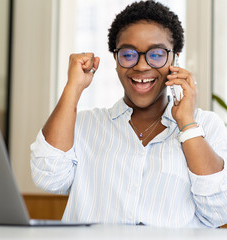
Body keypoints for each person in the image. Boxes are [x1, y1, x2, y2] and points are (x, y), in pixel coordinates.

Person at [30, 0, 227, 228]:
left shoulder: (205, 126)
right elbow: (47, 178)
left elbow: (219, 210)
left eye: (156, 54)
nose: (141, 66)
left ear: (175, 58)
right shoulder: (84, 125)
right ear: (115, 59)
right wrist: (73, 88)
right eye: (128, 54)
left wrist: (187, 124)